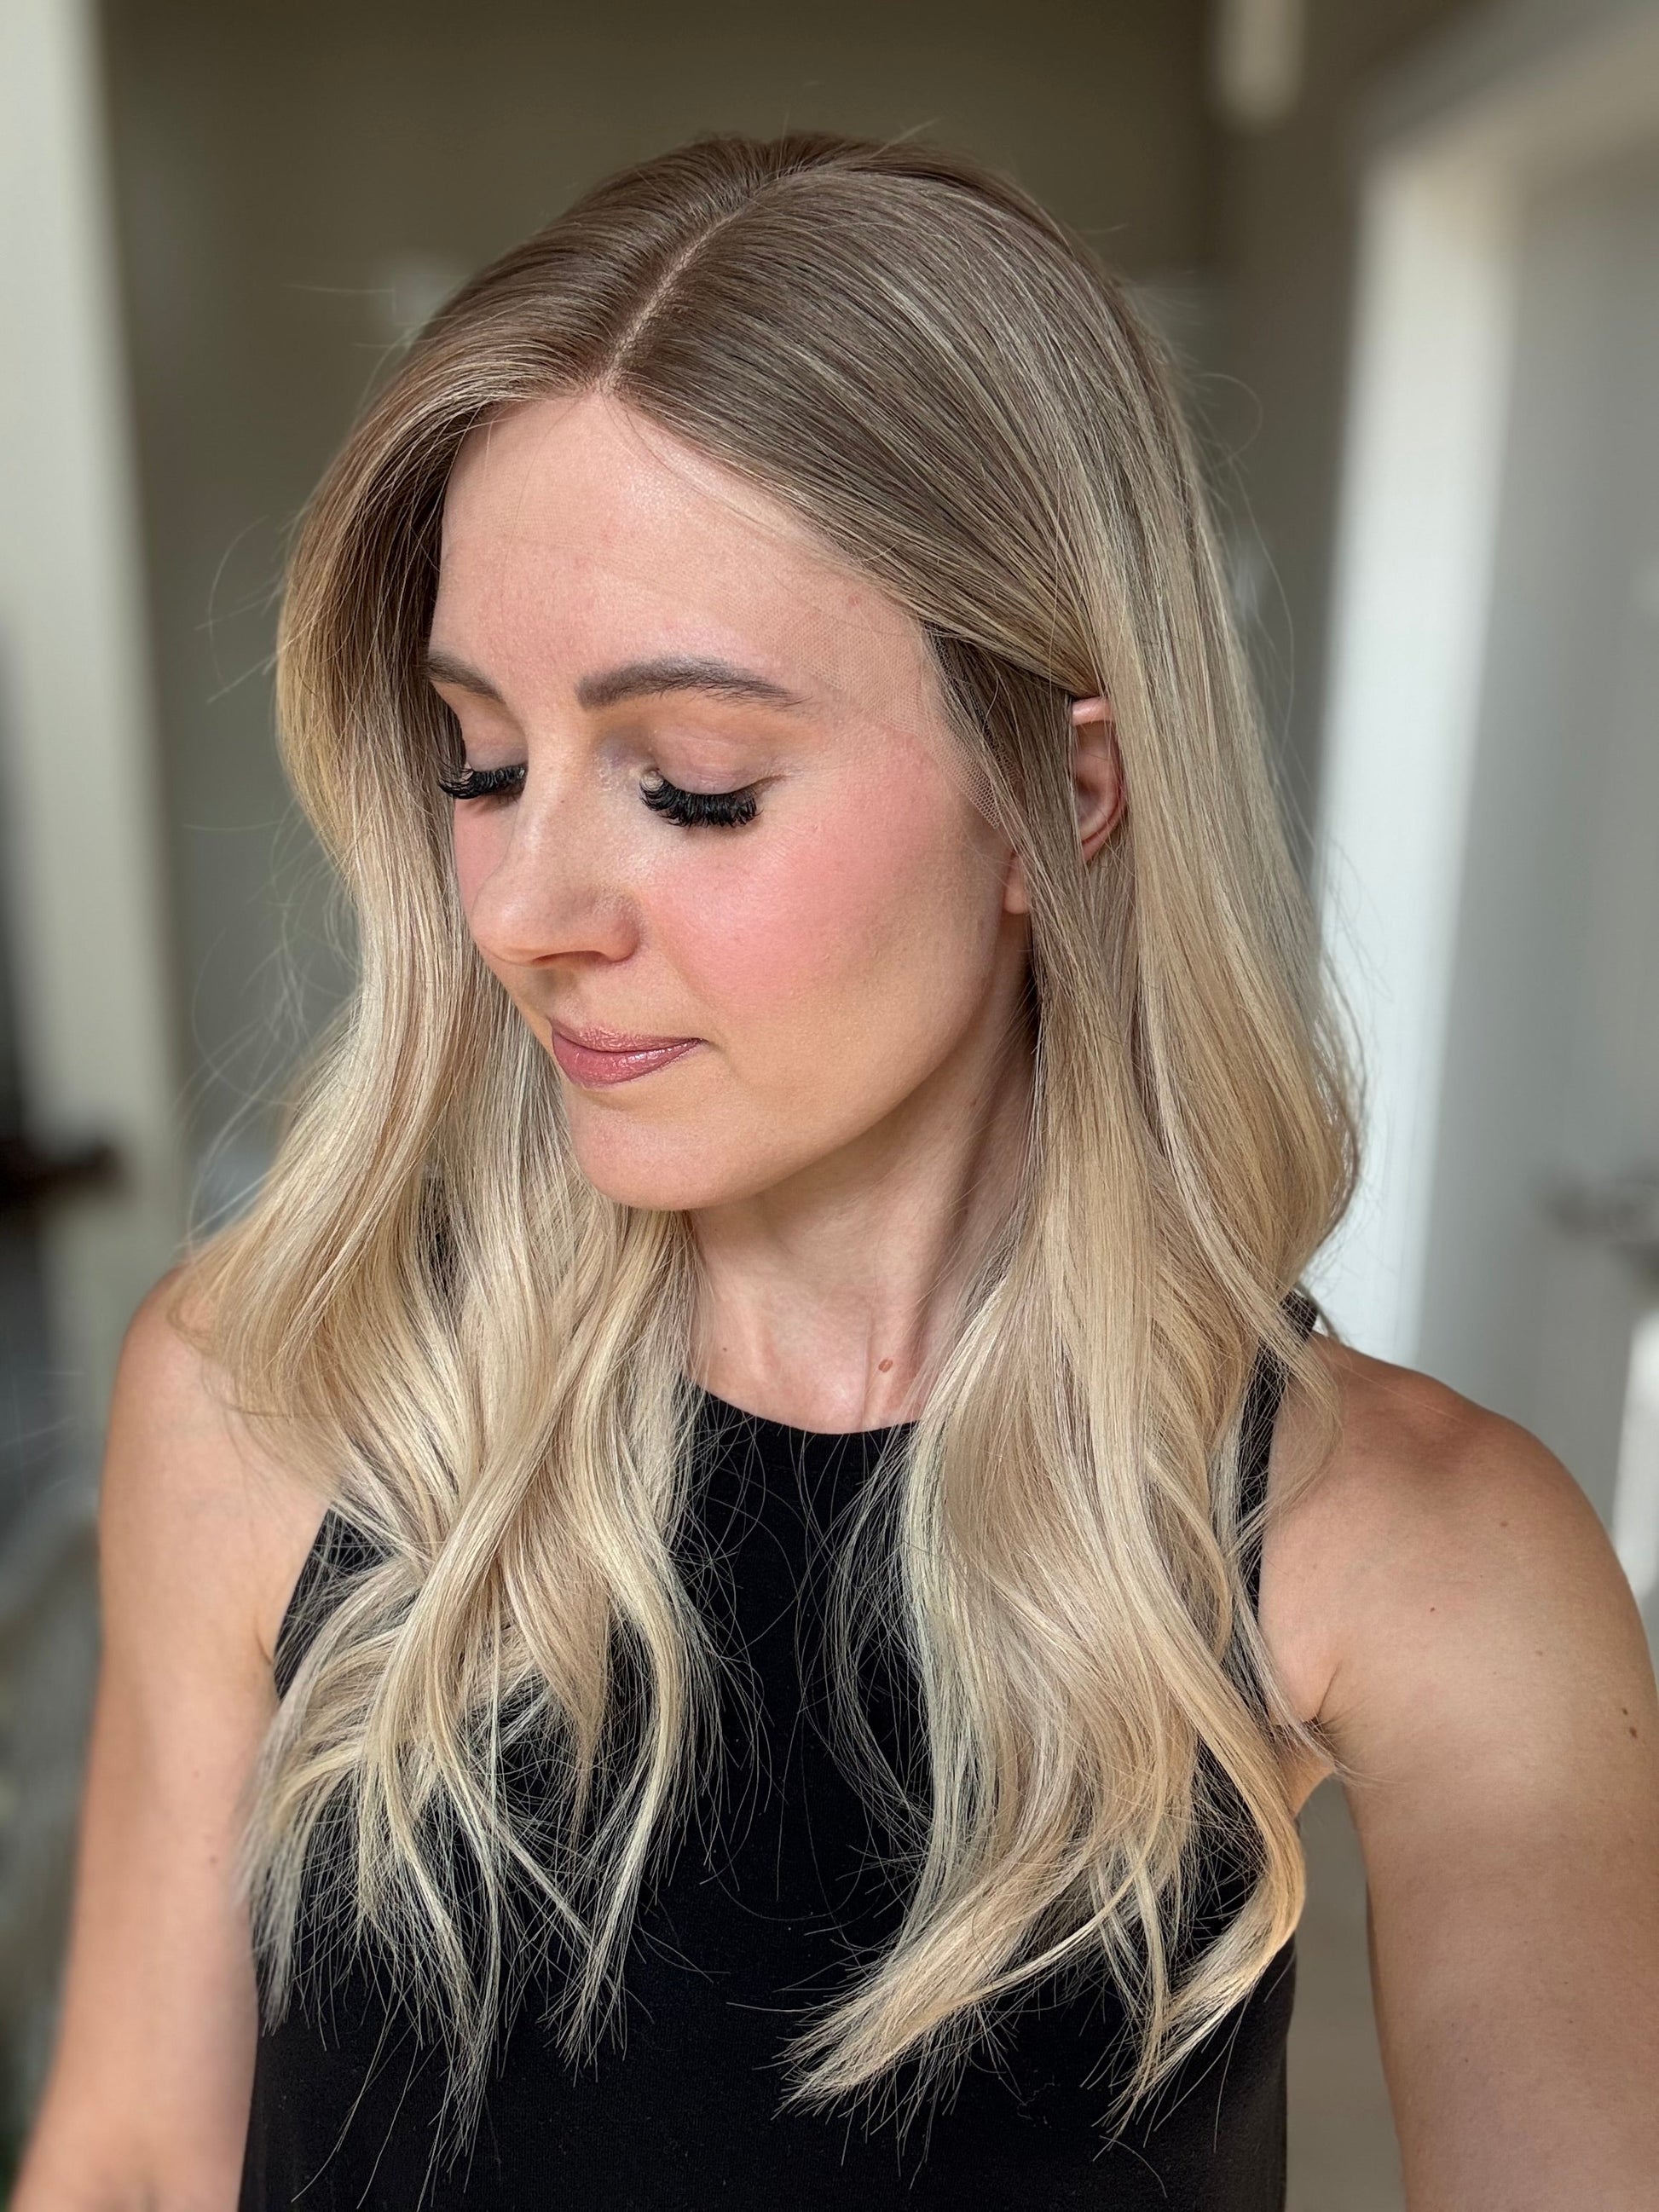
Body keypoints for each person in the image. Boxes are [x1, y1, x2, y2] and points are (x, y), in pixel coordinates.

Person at [14, 131, 1659, 2212]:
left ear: (1060, 793)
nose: (518, 907)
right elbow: (133, 2160)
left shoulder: (1416, 1551)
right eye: (479, 758)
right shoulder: (269, 1395)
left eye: (693, 784)